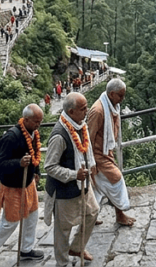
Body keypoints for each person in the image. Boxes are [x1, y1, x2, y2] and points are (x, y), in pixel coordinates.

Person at [0, 105, 45, 263]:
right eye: (36, 121)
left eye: (40, 121)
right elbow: (0, 163)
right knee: (11, 221)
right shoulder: (11, 137)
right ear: (25, 120)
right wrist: (19, 162)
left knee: (32, 217)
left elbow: (35, 155)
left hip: (28, 183)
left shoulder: (33, 133)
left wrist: (36, 171)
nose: (38, 125)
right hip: (12, 186)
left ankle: (26, 249)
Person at [44, 92, 98, 264]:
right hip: (63, 191)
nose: (87, 111)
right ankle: (62, 262)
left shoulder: (80, 124)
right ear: (71, 111)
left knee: (93, 212)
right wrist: (74, 175)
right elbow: (50, 167)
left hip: (83, 185)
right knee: (63, 230)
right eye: (83, 109)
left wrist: (92, 165)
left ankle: (76, 247)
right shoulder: (59, 135)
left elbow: (85, 149)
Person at [88, 78, 136, 227]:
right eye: (120, 96)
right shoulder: (98, 110)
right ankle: (120, 214)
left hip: (106, 152)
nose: (122, 99)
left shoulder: (113, 107)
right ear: (112, 94)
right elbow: (88, 137)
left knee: (97, 188)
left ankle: (89, 218)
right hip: (97, 155)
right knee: (117, 180)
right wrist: (90, 162)